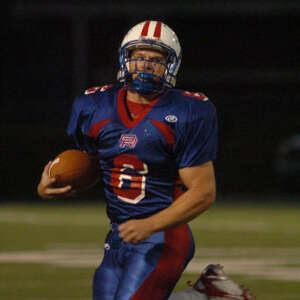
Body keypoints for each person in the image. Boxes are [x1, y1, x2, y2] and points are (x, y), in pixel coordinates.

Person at [37, 20, 218, 300]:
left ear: (171, 65)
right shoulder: (94, 106)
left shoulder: (188, 111)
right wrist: (51, 185)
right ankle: (208, 295)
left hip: (165, 234)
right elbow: (94, 166)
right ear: (125, 59)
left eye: (156, 59)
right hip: (120, 235)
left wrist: (152, 224)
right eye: (139, 57)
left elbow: (203, 192)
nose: (145, 65)